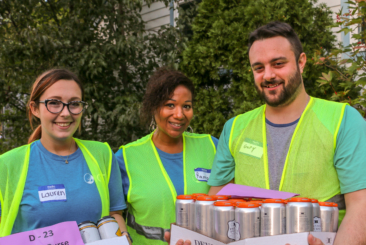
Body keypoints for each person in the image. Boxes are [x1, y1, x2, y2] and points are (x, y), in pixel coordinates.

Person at [204, 22, 366, 245]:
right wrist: (192, 237)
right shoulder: (234, 129)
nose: (268, 75)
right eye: (258, 68)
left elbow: (361, 208)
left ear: (301, 62)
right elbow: (215, 205)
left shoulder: (343, 121)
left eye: (278, 64)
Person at [0, 69, 131, 243]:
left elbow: (114, 214)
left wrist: (123, 238)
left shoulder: (102, 154)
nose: (66, 113)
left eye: (74, 103)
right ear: (35, 109)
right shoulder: (7, 164)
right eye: (54, 103)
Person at [115, 67, 218, 245]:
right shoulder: (126, 158)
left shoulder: (212, 147)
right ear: (153, 106)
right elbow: (113, 213)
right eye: (170, 105)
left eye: (186, 106)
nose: (179, 115)